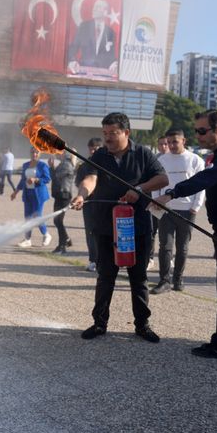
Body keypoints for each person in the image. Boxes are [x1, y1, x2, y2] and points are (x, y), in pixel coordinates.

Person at [154, 110, 217, 358]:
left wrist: (172, 192)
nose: (197, 135)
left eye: (202, 131)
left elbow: (207, 177)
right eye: (196, 131)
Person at [70, 112, 168, 343]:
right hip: (105, 226)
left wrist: (140, 189)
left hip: (138, 227)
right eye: (105, 133)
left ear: (126, 132)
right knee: (105, 277)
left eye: (113, 133)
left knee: (139, 277)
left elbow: (162, 179)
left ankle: (142, 325)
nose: (108, 138)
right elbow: (90, 179)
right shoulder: (100, 156)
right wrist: (82, 195)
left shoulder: (143, 154)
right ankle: (99, 323)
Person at [150, 129, 205, 294]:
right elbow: (155, 182)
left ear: (184, 141)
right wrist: (156, 201)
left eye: (175, 141)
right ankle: (164, 280)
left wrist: (196, 207)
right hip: (166, 210)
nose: (171, 145)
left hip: (187, 210)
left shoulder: (195, 160)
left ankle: (178, 279)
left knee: (183, 248)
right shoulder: (161, 160)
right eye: (169, 142)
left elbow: (201, 186)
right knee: (165, 246)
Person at [11, 147, 52, 247]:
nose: (34, 154)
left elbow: (47, 179)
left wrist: (36, 180)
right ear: (30, 153)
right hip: (28, 194)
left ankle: (46, 234)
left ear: (40, 153)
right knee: (27, 217)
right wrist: (15, 192)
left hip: (38, 195)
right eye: (32, 152)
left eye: (36, 152)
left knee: (37, 216)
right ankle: (27, 239)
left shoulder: (43, 165)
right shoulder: (25, 165)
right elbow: (22, 180)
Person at [67, 0, 118, 73]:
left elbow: (111, 55)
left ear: (105, 12)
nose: (94, 9)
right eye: (94, 7)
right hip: (84, 70)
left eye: (98, 7)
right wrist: (72, 61)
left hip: (102, 73)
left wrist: (114, 63)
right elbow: (74, 47)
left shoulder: (110, 32)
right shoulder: (84, 27)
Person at [76, 137, 103, 271]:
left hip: (103, 203)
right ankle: (93, 260)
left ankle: (105, 260)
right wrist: (82, 194)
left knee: (104, 232)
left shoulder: (106, 163)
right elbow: (79, 182)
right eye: (91, 148)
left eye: (96, 148)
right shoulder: (84, 165)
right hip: (88, 203)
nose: (93, 151)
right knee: (90, 232)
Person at [149, 135, 170, 270]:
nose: (163, 147)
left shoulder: (175, 160)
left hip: (170, 202)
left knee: (168, 234)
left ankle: (169, 258)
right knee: (152, 231)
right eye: (161, 144)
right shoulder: (154, 160)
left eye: (165, 144)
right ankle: (149, 258)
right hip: (155, 201)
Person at [48, 154, 76, 254]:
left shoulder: (66, 164)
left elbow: (56, 177)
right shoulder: (63, 164)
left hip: (64, 195)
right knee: (57, 221)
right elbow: (55, 176)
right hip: (59, 195)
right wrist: (52, 167)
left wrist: (51, 167)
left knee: (58, 221)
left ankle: (62, 246)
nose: (55, 154)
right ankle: (66, 240)